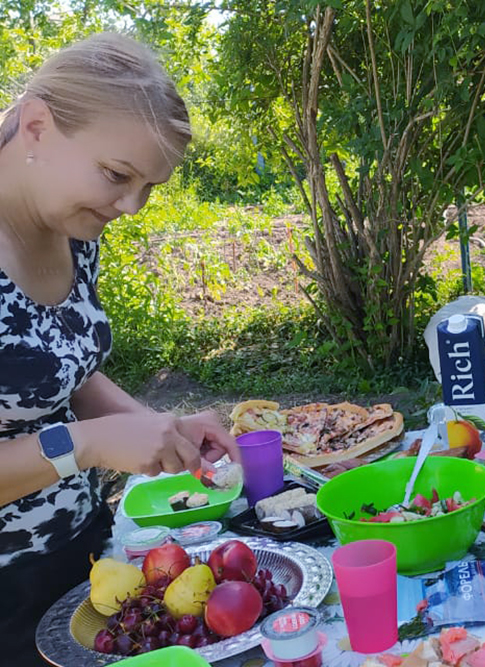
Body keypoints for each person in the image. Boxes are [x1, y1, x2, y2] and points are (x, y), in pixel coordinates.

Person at [0, 33, 240, 663]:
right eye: (117, 176)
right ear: (38, 127)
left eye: (149, 188)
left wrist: (157, 426)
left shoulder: (73, 226)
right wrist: (89, 444)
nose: (130, 206)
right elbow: (74, 431)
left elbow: (60, 374)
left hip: (84, 561)